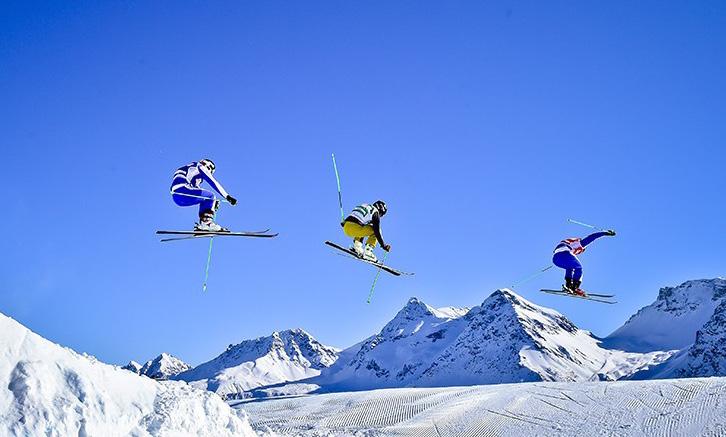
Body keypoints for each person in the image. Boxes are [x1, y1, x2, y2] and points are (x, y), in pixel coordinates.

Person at [170, 159, 237, 232]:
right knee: (211, 196)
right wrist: (227, 196)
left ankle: (204, 224)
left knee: (207, 199)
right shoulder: (200, 166)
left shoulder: (191, 169)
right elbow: (212, 181)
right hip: (182, 190)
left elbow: (196, 191)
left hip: (177, 198)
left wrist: (211, 205)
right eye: (210, 171)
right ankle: (206, 224)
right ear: (208, 166)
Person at [552, 230, 616, 296]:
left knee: (570, 268)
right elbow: (591, 237)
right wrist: (604, 233)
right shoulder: (578, 243)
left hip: (555, 259)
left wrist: (569, 282)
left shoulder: (568, 244)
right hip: (564, 253)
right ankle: (575, 287)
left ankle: (568, 285)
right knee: (578, 268)